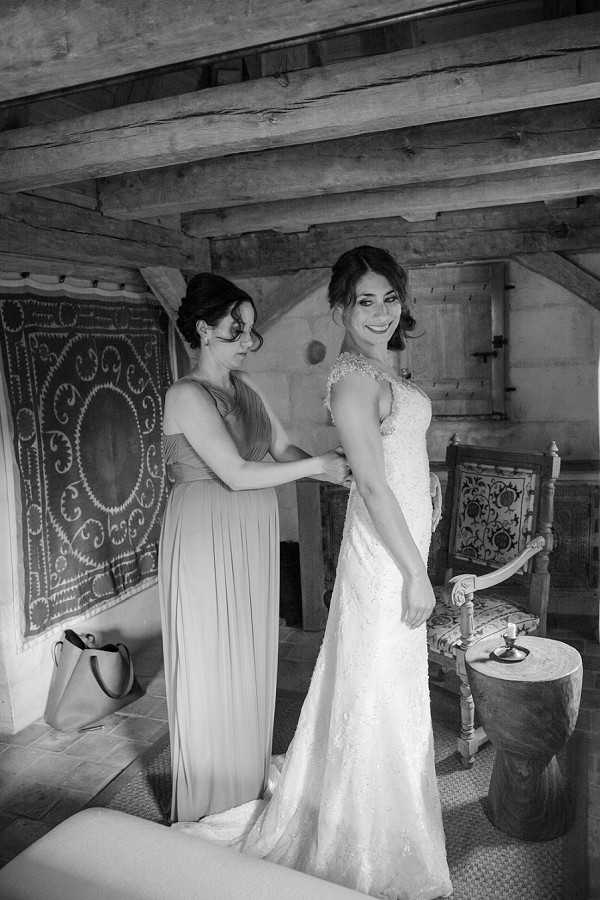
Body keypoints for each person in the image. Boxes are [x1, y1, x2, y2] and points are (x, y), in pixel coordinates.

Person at [174, 248, 452, 900]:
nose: (382, 312)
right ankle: (354, 832)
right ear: (340, 309)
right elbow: (374, 488)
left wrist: (429, 482)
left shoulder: (386, 369)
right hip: (384, 556)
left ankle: (386, 808)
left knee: (389, 682)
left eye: (390, 298)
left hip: (402, 540)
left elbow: (394, 454)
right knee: (374, 682)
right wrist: (415, 571)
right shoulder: (352, 379)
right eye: (366, 301)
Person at [159, 272, 349, 824]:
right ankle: (210, 798)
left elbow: (283, 447)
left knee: (247, 650)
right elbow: (237, 474)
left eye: (249, 329)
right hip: (204, 528)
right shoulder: (185, 394)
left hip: (249, 530)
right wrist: (321, 467)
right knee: (210, 653)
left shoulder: (247, 388)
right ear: (202, 329)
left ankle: (243, 776)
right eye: (235, 329)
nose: (248, 340)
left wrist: (338, 472)